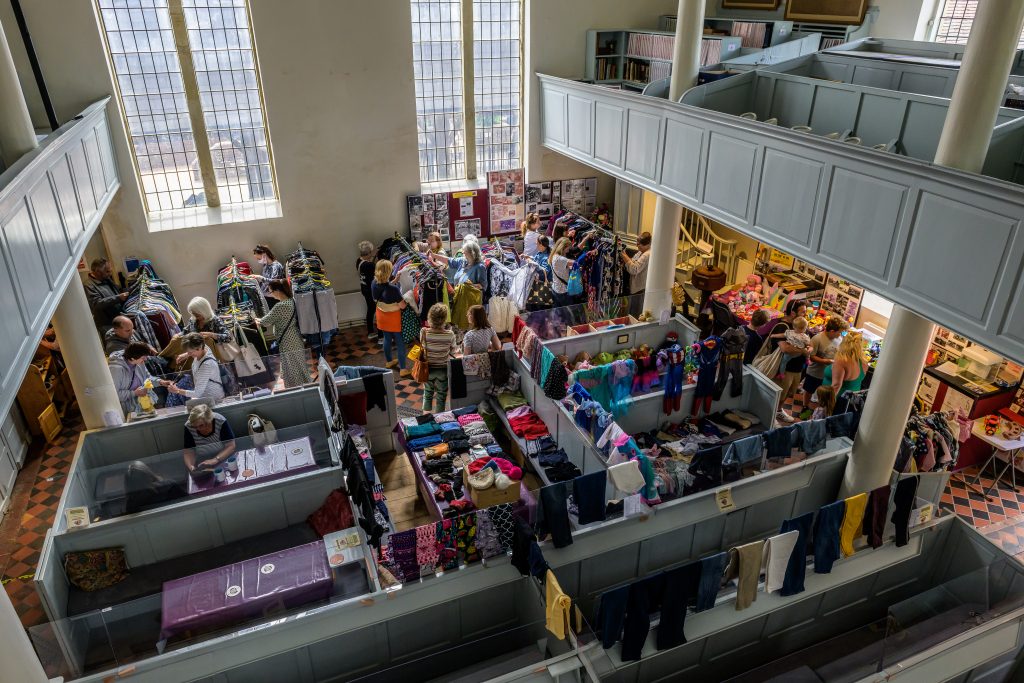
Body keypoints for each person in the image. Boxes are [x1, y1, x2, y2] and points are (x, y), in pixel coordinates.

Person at [257, 279, 308, 388]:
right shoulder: (291, 300)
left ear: (278, 291)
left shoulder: (280, 306)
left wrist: (255, 320)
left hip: (287, 341)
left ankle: (296, 390)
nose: (270, 294)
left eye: (271, 292)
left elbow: (265, 322)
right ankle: (305, 387)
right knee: (299, 366)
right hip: (295, 338)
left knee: (292, 368)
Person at [372, 259, 409, 376]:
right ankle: (403, 369)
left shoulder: (374, 283)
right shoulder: (394, 290)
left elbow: (385, 288)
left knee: (387, 339)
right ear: (388, 272)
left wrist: (394, 281)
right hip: (393, 318)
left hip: (381, 315)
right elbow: (402, 306)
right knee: (400, 342)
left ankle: (389, 362)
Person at [108, 342, 166, 415]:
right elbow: (114, 395)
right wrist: (134, 393)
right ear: (132, 358)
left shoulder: (139, 362)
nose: (145, 359)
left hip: (141, 406)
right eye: (143, 357)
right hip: (126, 411)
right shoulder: (116, 369)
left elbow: (147, 378)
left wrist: (160, 381)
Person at [802, 317, 845, 412]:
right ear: (832, 331)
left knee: (824, 395)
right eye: (839, 332)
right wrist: (826, 361)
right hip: (815, 372)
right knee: (809, 390)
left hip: (829, 374)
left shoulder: (839, 339)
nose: (840, 335)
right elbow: (812, 356)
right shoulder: (817, 339)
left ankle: (820, 412)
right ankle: (805, 407)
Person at [420, 303, 457, 412]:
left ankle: (426, 417)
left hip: (428, 369)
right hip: (443, 369)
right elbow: (453, 350)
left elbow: (423, 346)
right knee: (441, 395)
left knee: (427, 393)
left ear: (430, 317)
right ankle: (439, 417)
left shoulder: (424, 332)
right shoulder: (450, 334)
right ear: (444, 319)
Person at [168, 333, 226, 402]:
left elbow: (197, 393)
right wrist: (185, 355)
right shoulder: (205, 348)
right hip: (204, 396)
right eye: (187, 352)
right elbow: (199, 342)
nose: (189, 354)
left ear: (200, 348)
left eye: (190, 352)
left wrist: (177, 390)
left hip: (212, 400)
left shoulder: (206, 365)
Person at [174, 296, 231, 365]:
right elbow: (185, 331)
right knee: (175, 340)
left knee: (208, 340)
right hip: (196, 353)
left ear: (204, 311)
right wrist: (178, 335)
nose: (195, 316)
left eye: (197, 315)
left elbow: (228, 337)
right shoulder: (193, 320)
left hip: (211, 355)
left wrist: (212, 335)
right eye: (193, 314)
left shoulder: (215, 320)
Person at [182, 404, 236, 473]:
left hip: (223, 457)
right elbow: (188, 452)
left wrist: (215, 460)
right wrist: (191, 466)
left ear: (209, 421)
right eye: (194, 427)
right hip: (202, 462)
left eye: (201, 425)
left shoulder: (220, 420)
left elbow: (231, 446)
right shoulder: (189, 426)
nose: (197, 429)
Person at [84, 257, 126, 333]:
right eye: (107, 272)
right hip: (107, 325)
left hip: (118, 320)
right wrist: (118, 298)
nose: (110, 274)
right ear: (98, 272)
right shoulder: (88, 285)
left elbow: (118, 290)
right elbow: (96, 303)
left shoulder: (106, 279)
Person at [823, 331, 869, 399]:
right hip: (851, 400)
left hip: (836, 399)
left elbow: (836, 385)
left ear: (844, 343)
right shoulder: (864, 362)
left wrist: (827, 403)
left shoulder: (841, 361)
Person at [252, 244, 285, 308]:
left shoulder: (276, 266)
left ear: (264, 255)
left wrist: (261, 278)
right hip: (266, 297)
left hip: (274, 299)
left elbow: (275, 282)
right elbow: (265, 282)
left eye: (259, 258)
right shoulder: (265, 266)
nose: (258, 261)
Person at [356, 241, 377, 339]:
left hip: (364, 289)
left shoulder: (358, 261)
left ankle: (370, 331)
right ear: (368, 252)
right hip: (371, 291)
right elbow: (373, 281)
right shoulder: (370, 265)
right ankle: (378, 335)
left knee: (370, 309)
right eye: (371, 251)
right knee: (375, 310)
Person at [549, 237, 575, 308]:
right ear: (563, 247)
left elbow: (560, 269)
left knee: (559, 314)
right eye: (568, 248)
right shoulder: (561, 259)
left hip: (555, 289)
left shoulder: (554, 256)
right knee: (569, 314)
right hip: (563, 291)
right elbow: (576, 263)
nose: (568, 250)